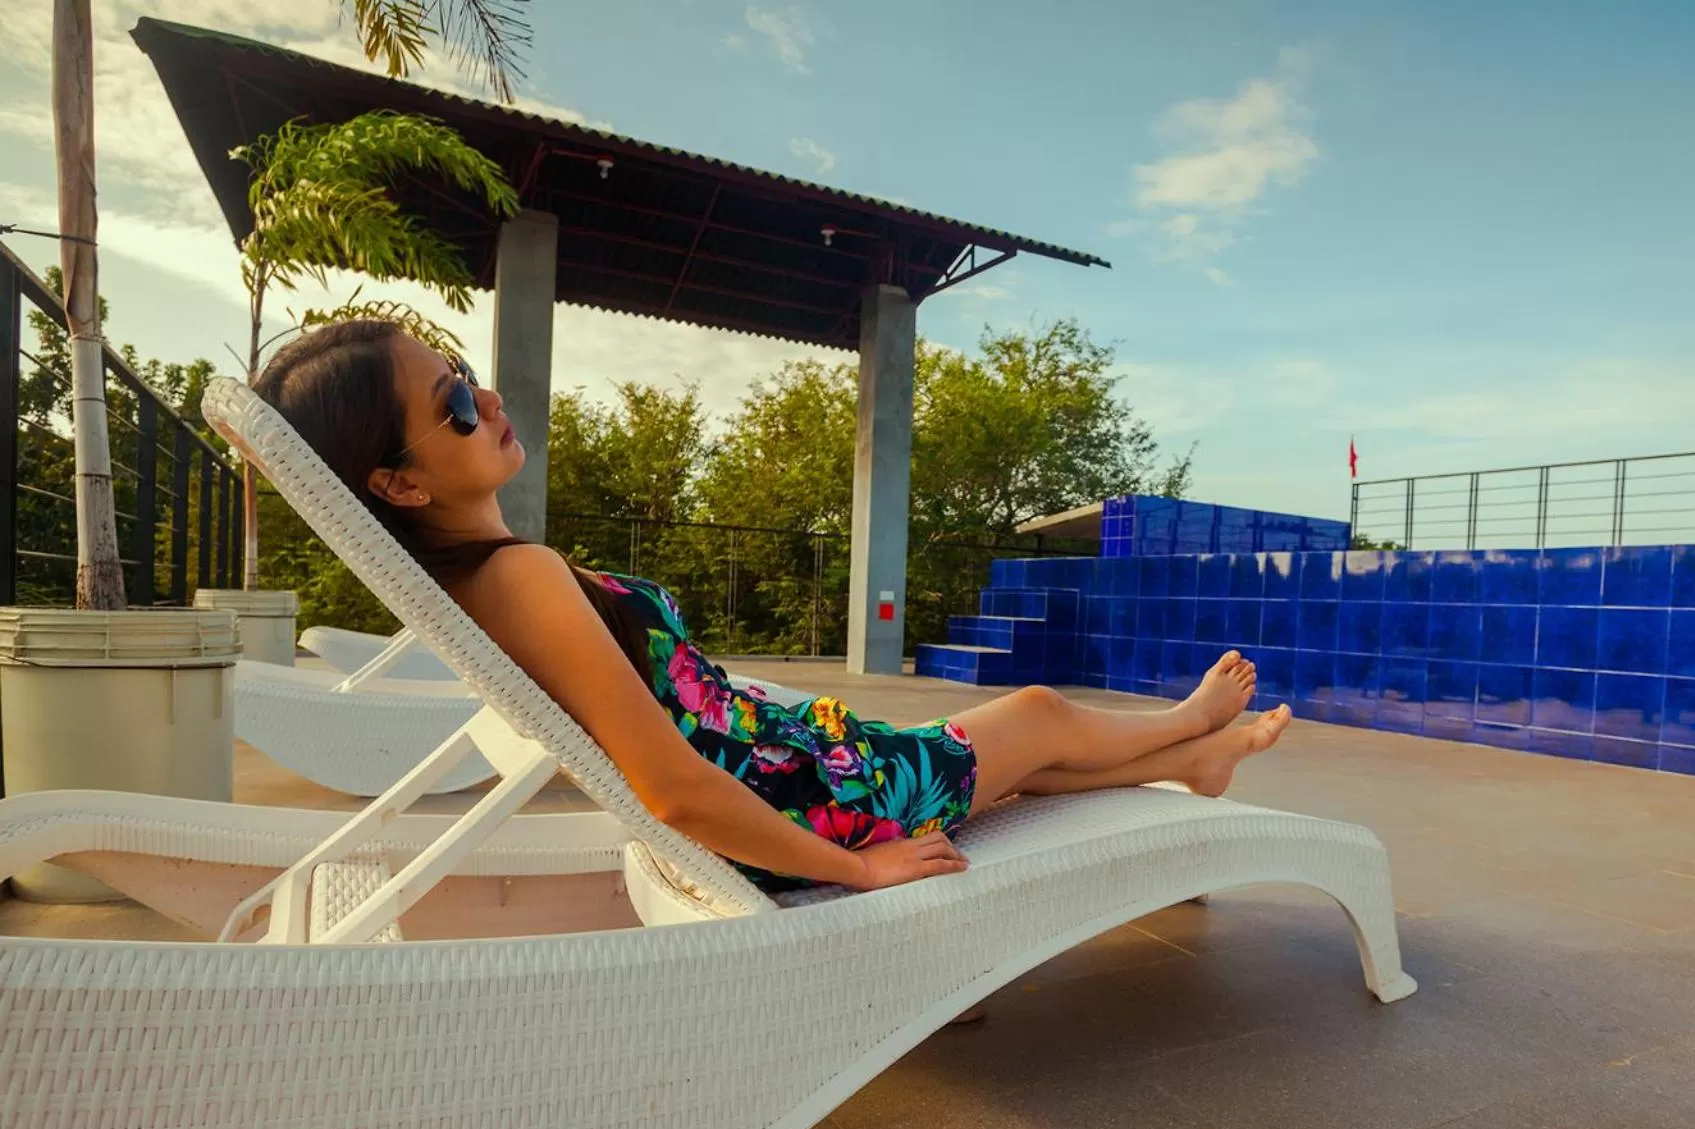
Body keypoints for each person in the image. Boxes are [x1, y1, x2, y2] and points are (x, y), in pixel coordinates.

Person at [254, 322, 1292, 897]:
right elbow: (668, 787)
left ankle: (1189, 760)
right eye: (452, 405)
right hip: (800, 806)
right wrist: (856, 868)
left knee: (1015, 756)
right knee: (1037, 712)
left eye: (468, 377)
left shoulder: (484, 581)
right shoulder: (516, 577)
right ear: (397, 483)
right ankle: (1186, 727)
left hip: (789, 770)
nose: (486, 401)